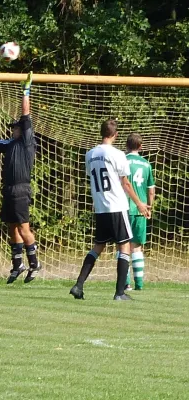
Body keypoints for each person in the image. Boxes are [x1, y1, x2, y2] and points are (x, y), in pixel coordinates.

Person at [69, 119, 150, 301]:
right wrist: (139, 204)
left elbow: (92, 176)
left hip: (100, 208)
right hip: (117, 206)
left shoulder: (89, 154)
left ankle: (78, 285)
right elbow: (125, 183)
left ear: (101, 132)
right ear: (116, 135)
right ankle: (120, 293)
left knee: (98, 246)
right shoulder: (118, 154)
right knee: (125, 247)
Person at [0, 71, 41, 284]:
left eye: (15, 126)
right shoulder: (8, 143)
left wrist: (26, 91)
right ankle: (18, 264)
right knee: (11, 225)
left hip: (20, 188)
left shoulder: (26, 140)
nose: (14, 129)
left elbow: (26, 114)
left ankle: (35, 263)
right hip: (8, 189)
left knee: (23, 227)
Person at [124, 133, 155, 291]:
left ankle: (125, 283)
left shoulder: (123, 161)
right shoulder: (146, 164)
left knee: (123, 246)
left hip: (123, 208)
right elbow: (151, 191)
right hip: (140, 209)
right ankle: (139, 284)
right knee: (136, 247)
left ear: (126, 145)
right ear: (141, 146)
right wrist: (149, 207)